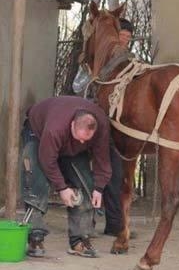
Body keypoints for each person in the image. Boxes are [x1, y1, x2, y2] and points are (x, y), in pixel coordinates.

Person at [21, 96, 112, 258]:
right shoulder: (54, 129)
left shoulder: (101, 126)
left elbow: (102, 158)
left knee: (85, 184)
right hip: (38, 133)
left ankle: (79, 240)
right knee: (35, 182)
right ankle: (35, 237)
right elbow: (47, 160)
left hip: (69, 145)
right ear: (72, 125)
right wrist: (62, 188)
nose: (83, 141)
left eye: (87, 139)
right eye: (80, 138)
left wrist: (99, 188)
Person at [72, 18, 134, 238]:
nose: (123, 42)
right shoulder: (92, 63)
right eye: (121, 37)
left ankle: (115, 225)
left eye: (127, 38)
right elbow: (77, 86)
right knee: (85, 175)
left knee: (115, 176)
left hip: (113, 129)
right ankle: (84, 224)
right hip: (86, 126)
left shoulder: (131, 65)